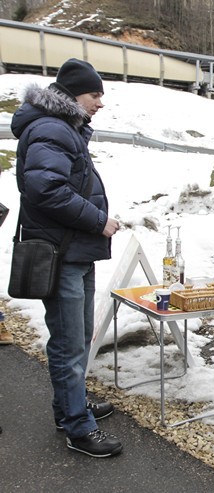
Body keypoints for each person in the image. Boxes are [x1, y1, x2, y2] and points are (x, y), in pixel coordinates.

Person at [11, 58, 123, 457]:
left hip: (73, 249)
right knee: (68, 342)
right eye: (95, 94)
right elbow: (46, 190)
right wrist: (98, 221)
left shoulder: (63, 128)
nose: (100, 102)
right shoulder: (51, 128)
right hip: (61, 253)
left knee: (75, 340)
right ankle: (78, 428)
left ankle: (69, 408)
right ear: (74, 94)